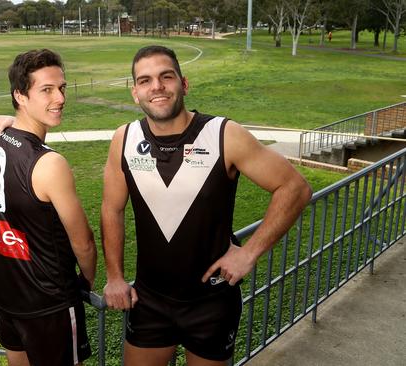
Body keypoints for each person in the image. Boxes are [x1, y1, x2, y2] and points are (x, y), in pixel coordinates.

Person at [101, 45, 312, 366]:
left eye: (165, 77)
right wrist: (115, 276)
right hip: (150, 300)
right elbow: (111, 209)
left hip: (211, 302)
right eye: (145, 81)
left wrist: (249, 253)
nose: (156, 87)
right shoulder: (125, 138)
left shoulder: (224, 135)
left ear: (183, 84)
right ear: (135, 93)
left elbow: (295, 187)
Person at [0, 49, 97, 366]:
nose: (59, 98)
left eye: (61, 87)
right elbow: (83, 242)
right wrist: (87, 280)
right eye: (46, 90)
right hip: (49, 303)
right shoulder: (49, 163)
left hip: (7, 299)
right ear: (20, 95)